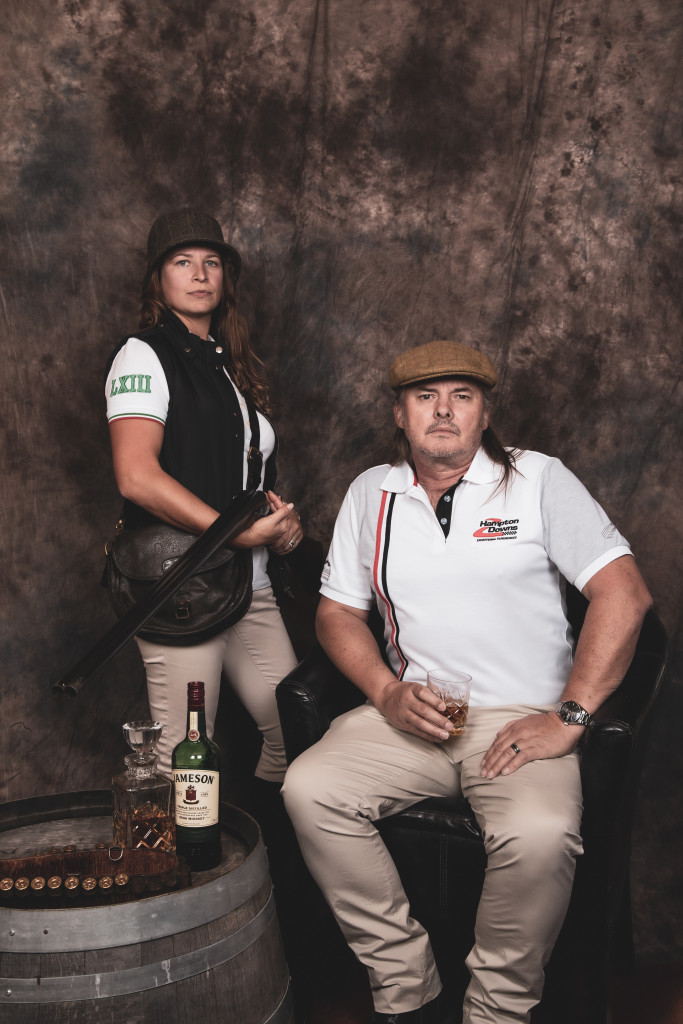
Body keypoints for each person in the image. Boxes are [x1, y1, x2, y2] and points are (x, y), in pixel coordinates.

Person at [282, 339, 652, 1024]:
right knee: (309, 788)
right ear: (399, 414)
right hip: (415, 716)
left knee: (540, 833)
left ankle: (495, 1010)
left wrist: (568, 717)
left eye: (462, 396)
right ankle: (406, 987)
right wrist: (385, 692)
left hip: (522, 720)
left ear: (484, 413)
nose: (444, 410)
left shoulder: (537, 478)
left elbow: (623, 595)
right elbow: (336, 614)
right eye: (425, 397)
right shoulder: (372, 492)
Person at [104, 208, 302, 812]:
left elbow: (239, 478)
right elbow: (137, 477)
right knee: (186, 757)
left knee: (295, 732)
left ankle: (263, 848)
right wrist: (233, 535)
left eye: (211, 262)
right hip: (182, 588)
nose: (199, 273)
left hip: (249, 583)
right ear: (158, 279)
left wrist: (280, 526)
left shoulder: (223, 363)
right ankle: (182, 868)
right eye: (182, 262)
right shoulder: (143, 355)